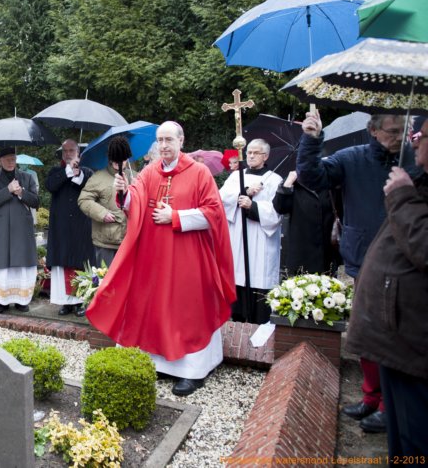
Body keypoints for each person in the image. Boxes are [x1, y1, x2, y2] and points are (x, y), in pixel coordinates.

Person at [86, 121, 236, 396]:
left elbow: (214, 214)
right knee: (153, 305)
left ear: (181, 141)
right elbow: (136, 204)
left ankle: (192, 372)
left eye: (169, 139)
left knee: (187, 308)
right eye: (160, 140)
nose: (164, 145)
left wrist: (176, 217)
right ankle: (155, 363)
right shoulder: (148, 172)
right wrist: (123, 191)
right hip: (154, 255)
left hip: (188, 255)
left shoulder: (200, 173)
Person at [297, 110, 415, 434]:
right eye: (392, 131)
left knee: (393, 339)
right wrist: (310, 139)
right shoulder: (352, 158)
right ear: (373, 131)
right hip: (363, 259)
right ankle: (370, 396)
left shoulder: (414, 162)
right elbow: (312, 178)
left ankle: (389, 407)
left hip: (403, 265)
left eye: (404, 130)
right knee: (365, 334)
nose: (399, 137)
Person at [346, 119, 427, 457]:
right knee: (402, 435)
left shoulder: (410, 186)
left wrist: (403, 196)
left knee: (415, 441)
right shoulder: (416, 177)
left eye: (423, 135)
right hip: (399, 336)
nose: (414, 140)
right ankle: (374, 401)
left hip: (413, 339)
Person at [219, 139, 283, 324]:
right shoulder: (236, 176)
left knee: (259, 278)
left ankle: (258, 324)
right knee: (237, 276)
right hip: (238, 235)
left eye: (256, 153)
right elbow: (221, 199)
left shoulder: (274, 180)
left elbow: (277, 212)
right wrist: (245, 191)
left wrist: (253, 206)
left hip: (261, 239)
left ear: (266, 156)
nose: (251, 156)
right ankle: (236, 321)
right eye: (249, 153)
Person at [0, 147, 40, 313]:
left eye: (13, 159)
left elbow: (36, 201)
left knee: (22, 263)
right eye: (7, 159)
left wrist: (21, 192)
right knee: (1, 264)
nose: (10, 162)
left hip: (22, 227)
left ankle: (22, 300)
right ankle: (2, 301)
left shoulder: (26, 177)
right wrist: (7, 190)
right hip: (1, 228)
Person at [46, 139, 96, 316]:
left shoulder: (88, 172)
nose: (68, 154)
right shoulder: (56, 171)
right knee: (62, 263)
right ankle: (65, 302)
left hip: (81, 226)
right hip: (61, 227)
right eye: (65, 151)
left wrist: (78, 173)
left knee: (81, 262)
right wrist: (68, 172)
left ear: (78, 153)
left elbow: (89, 188)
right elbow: (51, 186)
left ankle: (81, 301)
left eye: (71, 151)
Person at [272, 170, 342, 276]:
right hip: (300, 250)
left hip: (326, 250)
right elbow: (280, 208)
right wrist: (287, 184)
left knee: (326, 287)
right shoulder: (294, 181)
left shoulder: (331, 182)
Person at [77, 159, 132, 268]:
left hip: (130, 241)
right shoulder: (97, 178)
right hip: (106, 243)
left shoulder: (136, 177)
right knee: (105, 281)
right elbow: (83, 200)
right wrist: (102, 213)